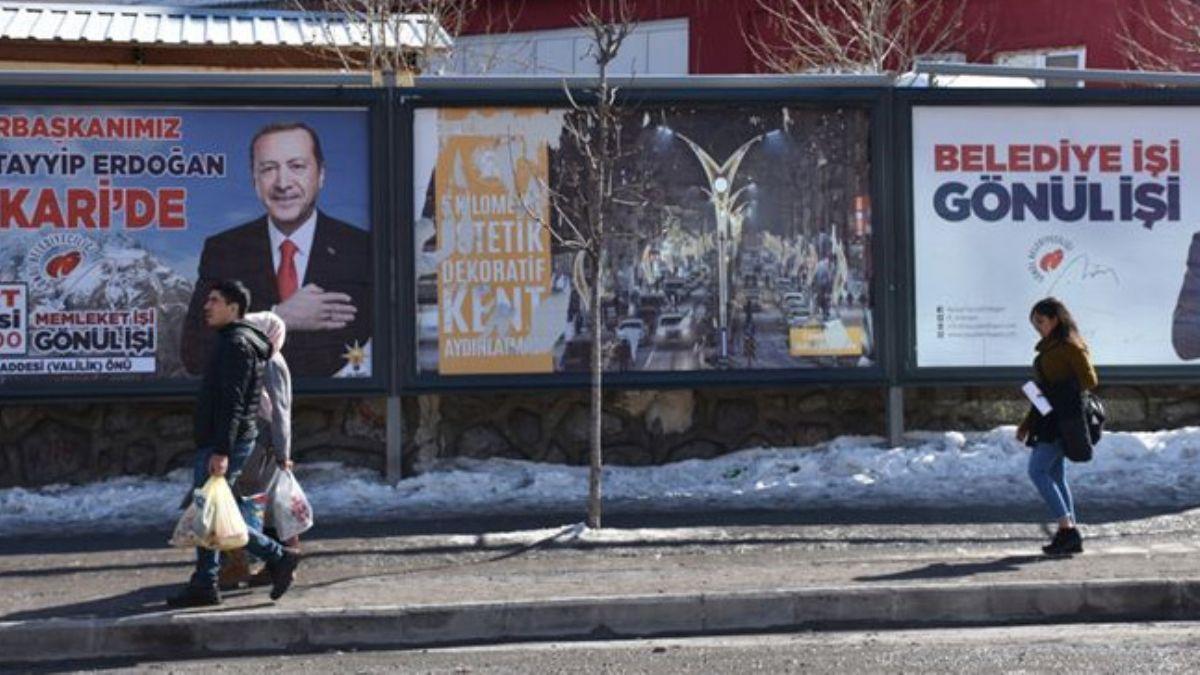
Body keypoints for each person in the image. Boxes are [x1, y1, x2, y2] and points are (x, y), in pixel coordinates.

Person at [181, 122, 372, 378]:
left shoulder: (361, 248)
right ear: (254, 180)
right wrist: (276, 316)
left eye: (297, 166)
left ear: (321, 174)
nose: (283, 182)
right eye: (269, 169)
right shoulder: (224, 250)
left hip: (336, 409)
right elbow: (195, 354)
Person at [167, 280, 301, 608]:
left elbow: (234, 403)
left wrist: (221, 451)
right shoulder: (234, 341)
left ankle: (278, 556)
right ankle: (206, 581)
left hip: (224, 443)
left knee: (211, 512)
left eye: (215, 301)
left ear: (234, 308)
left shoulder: (238, 345)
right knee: (210, 512)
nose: (206, 306)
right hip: (224, 441)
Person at [1015, 297, 1099, 557]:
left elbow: (1089, 380)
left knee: (1037, 471)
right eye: (1034, 323)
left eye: (1040, 321)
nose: (1037, 326)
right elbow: (1044, 392)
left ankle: (1067, 529)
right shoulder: (1048, 349)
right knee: (1055, 475)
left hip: (1064, 420)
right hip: (1049, 418)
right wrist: (1027, 423)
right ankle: (1070, 533)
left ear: (1055, 319)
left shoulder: (1070, 346)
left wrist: (1054, 390)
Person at [220, 310, 295, 590]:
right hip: (260, 441)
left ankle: (248, 564)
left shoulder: (272, 361)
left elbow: (280, 411)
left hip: (263, 443)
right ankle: (271, 563)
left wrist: (282, 452)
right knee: (263, 507)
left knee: (252, 505)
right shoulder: (258, 358)